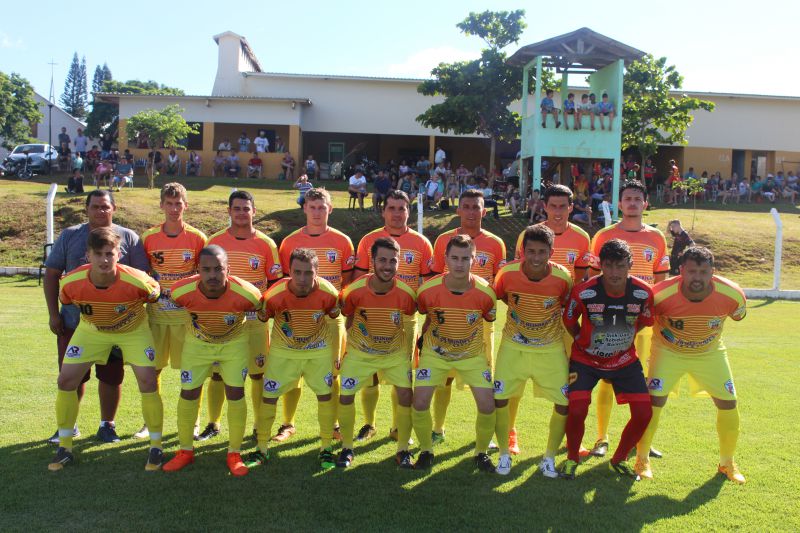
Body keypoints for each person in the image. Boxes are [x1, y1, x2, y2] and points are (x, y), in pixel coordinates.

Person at [48, 227, 163, 472]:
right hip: (92, 330)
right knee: (66, 380)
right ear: (88, 255)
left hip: (133, 331)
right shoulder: (70, 283)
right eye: (98, 254)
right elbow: (66, 300)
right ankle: (65, 447)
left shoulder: (137, 279)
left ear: (119, 254)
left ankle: (156, 447)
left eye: (109, 253)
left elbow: (154, 293)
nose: (104, 259)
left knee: (148, 381)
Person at [43, 190, 150, 445]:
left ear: (114, 208)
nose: (100, 211)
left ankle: (107, 425)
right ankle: (68, 426)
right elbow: (52, 274)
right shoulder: (70, 235)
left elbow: (142, 279)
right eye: (95, 206)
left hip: (117, 325)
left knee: (111, 376)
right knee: (71, 376)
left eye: (105, 206)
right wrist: (53, 314)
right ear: (86, 209)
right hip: (74, 322)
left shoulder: (129, 237)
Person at [635, 246, 747, 483]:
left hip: (710, 354)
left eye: (703, 272)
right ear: (681, 270)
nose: (697, 277)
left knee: (728, 403)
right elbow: (641, 321)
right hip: (668, 352)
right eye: (692, 271)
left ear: (713, 272)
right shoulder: (660, 294)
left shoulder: (733, 294)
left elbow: (738, 315)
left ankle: (727, 463)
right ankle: (642, 458)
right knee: (654, 402)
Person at [162, 245, 264, 477]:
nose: (212, 275)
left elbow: (260, 308)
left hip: (233, 344)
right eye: (206, 269)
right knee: (188, 392)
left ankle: (234, 453)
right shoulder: (181, 290)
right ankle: (185, 451)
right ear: (198, 270)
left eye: (219, 269)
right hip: (197, 345)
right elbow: (175, 301)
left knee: (235, 393)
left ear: (228, 269)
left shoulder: (248, 293)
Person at [560, 239, 655, 480]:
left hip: (624, 361)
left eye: (620, 266)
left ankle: (619, 459)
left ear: (630, 265)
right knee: (577, 409)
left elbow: (644, 322)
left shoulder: (643, 292)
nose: (614, 272)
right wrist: (583, 340)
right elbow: (569, 321)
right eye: (609, 266)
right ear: (600, 265)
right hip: (586, 360)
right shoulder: (584, 292)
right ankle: (572, 458)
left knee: (644, 413)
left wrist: (622, 341)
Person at [587, 180, 669, 459]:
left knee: (644, 380)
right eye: (627, 199)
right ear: (619, 204)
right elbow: (592, 278)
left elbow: (660, 282)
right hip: (610, 319)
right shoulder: (603, 235)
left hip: (643, 320)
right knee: (607, 380)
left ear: (645, 204)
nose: (632, 203)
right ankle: (601, 438)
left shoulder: (657, 237)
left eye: (637, 199)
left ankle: (641, 439)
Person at [246, 248, 342, 470]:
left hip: (317, 352)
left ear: (317, 271)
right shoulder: (274, 294)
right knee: (269, 397)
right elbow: (263, 317)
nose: (302, 278)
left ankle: (326, 448)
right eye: (297, 272)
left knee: (325, 396)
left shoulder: (329, 292)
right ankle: (261, 449)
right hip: (283, 352)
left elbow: (334, 315)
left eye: (308, 273)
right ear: (289, 271)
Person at [274, 188, 355, 443]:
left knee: (334, 371)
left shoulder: (343, 241)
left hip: (330, 317)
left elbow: (347, 281)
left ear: (330, 209)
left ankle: (334, 424)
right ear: (304, 209)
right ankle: (288, 423)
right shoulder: (290, 242)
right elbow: (285, 281)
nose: (317, 212)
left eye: (322, 207)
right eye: (312, 207)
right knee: (293, 370)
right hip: (297, 316)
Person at [492, 225, 573, 476]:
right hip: (513, 346)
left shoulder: (563, 277)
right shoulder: (507, 273)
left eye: (542, 252)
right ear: (522, 251)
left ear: (551, 252)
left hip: (550, 349)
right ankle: (504, 454)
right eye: (531, 251)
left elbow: (566, 305)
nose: (536, 258)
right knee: (500, 398)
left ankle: (548, 458)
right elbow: (503, 297)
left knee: (563, 402)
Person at [353, 190, 433, 441]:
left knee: (403, 375)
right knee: (370, 374)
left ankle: (398, 427)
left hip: (405, 318)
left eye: (402, 208)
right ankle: (369, 424)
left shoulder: (422, 243)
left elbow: (427, 285)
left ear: (409, 212)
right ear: (383, 211)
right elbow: (358, 280)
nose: (397, 213)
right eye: (392, 208)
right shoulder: (369, 240)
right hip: (371, 316)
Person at [412, 235, 498, 471]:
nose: (460, 264)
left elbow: (489, 318)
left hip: (471, 356)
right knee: (419, 402)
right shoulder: (427, 290)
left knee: (487, 405)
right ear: (446, 259)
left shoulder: (486, 292)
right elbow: (425, 315)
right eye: (455, 258)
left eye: (465, 258)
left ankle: (481, 453)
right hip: (435, 354)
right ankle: (426, 451)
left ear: (474, 259)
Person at [202, 191, 282, 442]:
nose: (241, 213)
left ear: (254, 211)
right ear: (229, 211)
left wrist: (263, 307)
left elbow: (275, 284)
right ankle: (213, 423)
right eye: (236, 208)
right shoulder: (214, 242)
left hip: (255, 322)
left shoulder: (267, 244)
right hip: (221, 322)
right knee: (218, 374)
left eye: (246, 208)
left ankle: (259, 426)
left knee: (258, 374)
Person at [428, 189, 506, 445]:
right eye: (467, 207)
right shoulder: (443, 240)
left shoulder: (496, 243)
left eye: (477, 207)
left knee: (482, 379)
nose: (472, 212)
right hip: (447, 321)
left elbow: (499, 284)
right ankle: (438, 429)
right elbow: (435, 281)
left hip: (481, 323)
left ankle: (486, 435)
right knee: (444, 378)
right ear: (458, 210)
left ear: (485, 211)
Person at [336, 237, 418, 468]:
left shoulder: (406, 293)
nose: (387, 266)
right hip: (360, 353)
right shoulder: (353, 290)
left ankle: (403, 449)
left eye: (393, 261)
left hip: (394, 354)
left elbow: (409, 319)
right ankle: (347, 448)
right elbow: (348, 316)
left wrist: (408, 351)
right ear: (372, 261)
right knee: (346, 395)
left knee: (406, 395)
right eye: (382, 260)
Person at [136, 183, 207, 439]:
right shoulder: (148, 237)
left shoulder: (198, 238)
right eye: (169, 203)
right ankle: (150, 423)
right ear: (161, 205)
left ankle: (193, 421)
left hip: (186, 320)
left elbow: (204, 276)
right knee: (151, 371)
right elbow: (142, 276)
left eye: (178, 204)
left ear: (185, 205)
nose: (174, 208)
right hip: (156, 318)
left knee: (191, 373)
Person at [515, 184, 592, 284]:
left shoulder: (582, 237)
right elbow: (519, 270)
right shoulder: (527, 235)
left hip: (566, 293)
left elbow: (580, 272)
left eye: (562, 206)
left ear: (571, 208)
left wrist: (566, 289)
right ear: (545, 207)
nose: (557, 212)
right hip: (534, 292)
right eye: (553, 206)